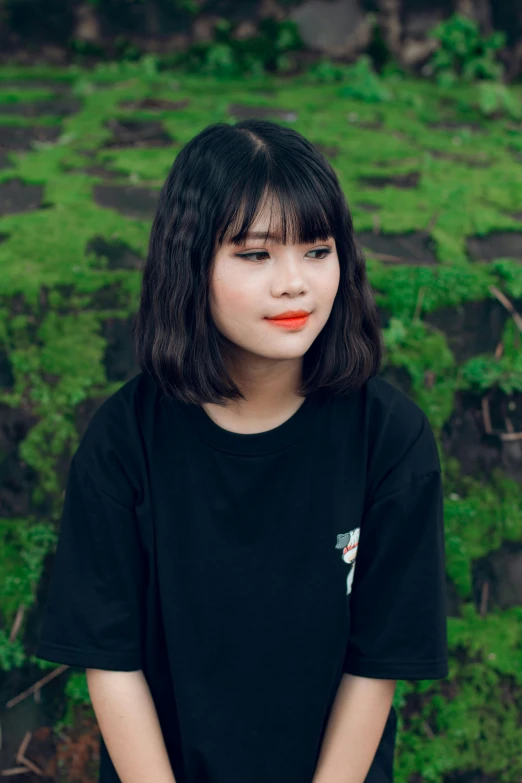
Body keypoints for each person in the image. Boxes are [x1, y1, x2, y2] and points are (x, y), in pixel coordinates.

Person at [35, 118, 449, 783]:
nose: (295, 284)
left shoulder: (390, 440)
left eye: (317, 250)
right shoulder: (124, 441)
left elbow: (377, 663)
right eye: (256, 254)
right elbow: (111, 660)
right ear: (189, 262)